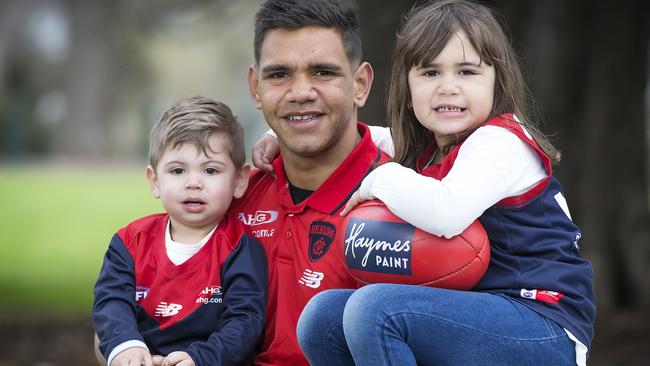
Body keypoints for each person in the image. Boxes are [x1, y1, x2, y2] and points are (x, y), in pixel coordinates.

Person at [289, 0, 597, 365]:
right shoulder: (425, 148)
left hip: (542, 323)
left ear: (497, 82)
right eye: (430, 73)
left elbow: (446, 213)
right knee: (322, 316)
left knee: (375, 309)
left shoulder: (501, 143)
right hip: (476, 312)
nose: (448, 87)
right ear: (407, 87)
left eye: (466, 72)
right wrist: (282, 143)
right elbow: (352, 139)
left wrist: (380, 177)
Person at [229, 0, 389, 365]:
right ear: (256, 87)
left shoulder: (406, 205)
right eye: (279, 74)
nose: (300, 91)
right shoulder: (232, 201)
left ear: (360, 84)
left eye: (322, 72)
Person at [92, 96, 268, 366]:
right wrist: (126, 346)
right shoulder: (129, 242)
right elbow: (111, 301)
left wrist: (200, 359)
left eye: (210, 170)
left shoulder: (241, 248)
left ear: (239, 180)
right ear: (154, 181)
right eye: (177, 170)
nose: (194, 183)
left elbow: (244, 322)